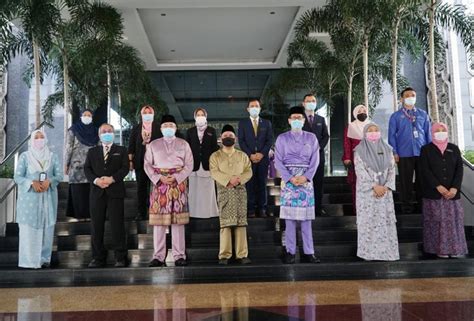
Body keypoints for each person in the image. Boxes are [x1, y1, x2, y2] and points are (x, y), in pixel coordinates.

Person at [144, 114, 193, 267]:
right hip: (160, 185)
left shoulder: (184, 144)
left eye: (171, 126)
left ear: (175, 128)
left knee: (178, 221)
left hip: (178, 184)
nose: (168, 128)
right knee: (159, 222)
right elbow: (147, 165)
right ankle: (158, 256)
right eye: (165, 126)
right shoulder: (153, 144)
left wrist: (177, 177)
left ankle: (179, 255)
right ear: (161, 128)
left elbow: (189, 164)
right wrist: (159, 178)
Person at [274, 106, 320, 264]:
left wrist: (307, 177)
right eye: (293, 118)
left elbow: (315, 160)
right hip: (288, 181)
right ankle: (290, 252)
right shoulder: (281, 138)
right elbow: (277, 161)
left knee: (306, 219)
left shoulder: (312, 138)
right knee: (289, 219)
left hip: (306, 181)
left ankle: (309, 252)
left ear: (303, 120)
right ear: (289, 120)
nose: (296, 120)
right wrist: (289, 178)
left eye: (299, 118)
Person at [14, 130, 63, 269]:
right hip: (29, 201)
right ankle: (28, 260)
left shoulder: (52, 157)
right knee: (29, 230)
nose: (39, 139)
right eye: (36, 137)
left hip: (48, 199)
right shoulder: (25, 156)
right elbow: (17, 177)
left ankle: (44, 259)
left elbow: (59, 175)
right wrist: (31, 183)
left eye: (42, 137)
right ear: (32, 140)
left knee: (47, 229)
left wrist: (50, 181)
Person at [84, 123, 129, 268]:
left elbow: (125, 168)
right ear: (99, 135)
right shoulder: (92, 152)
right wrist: (97, 181)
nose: (106, 133)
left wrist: (112, 179)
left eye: (109, 131)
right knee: (96, 226)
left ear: (114, 133)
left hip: (115, 191)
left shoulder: (121, 150)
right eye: (104, 131)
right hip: (97, 192)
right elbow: (87, 169)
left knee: (117, 225)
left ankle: (120, 257)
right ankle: (98, 257)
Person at [420, 122, 468, 258]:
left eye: (443, 130)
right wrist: (438, 186)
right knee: (436, 221)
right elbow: (425, 170)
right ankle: (439, 249)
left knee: (454, 222)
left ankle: (455, 249)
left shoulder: (454, 148)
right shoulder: (426, 149)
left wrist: (454, 188)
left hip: (452, 195)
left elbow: (459, 169)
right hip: (434, 194)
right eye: (437, 130)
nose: (440, 132)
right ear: (432, 132)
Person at [354, 123, 399, 261]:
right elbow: (360, 172)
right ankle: (368, 253)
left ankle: (387, 253)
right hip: (367, 194)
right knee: (368, 223)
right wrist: (374, 186)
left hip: (385, 193)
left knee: (385, 222)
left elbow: (392, 170)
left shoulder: (388, 149)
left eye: (376, 130)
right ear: (365, 134)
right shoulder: (359, 151)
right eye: (370, 131)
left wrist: (385, 187)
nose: (373, 133)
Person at [209, 124, 252, 265]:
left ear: (236, 139)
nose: (228, 138)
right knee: (225, 225)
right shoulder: (215, 156)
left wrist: (238, 180)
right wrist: (228, 180)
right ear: (220, 138)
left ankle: (242, 254)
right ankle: (224, 255)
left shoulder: (242, 155)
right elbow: (214, 172)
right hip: (224, 192)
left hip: (240, 191)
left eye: (231, 136)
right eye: (225, 136)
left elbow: (248, 171)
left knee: (241, 223)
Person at [388, 87, 431, 213]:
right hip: (404, 153)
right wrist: (395, 152)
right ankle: (406, 206)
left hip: (422, 153)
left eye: (413, 95)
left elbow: (428, 133)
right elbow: (391, 136)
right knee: (405, 181)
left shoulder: (423, 114)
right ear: (402, 99)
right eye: (407, 95)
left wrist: (429, 153)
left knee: (422, 180)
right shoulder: (396, 116)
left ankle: (421, 205)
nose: (411, 97)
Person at [237, 99, 273, 218]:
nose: (254, 108)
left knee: (262, 183)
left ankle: (262, 208)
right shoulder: (243, 123)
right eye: (252, 106)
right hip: (249, 159)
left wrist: (262, 154)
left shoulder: (266, 123)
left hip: (263, 159)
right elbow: (241, 141)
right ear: (248, 109)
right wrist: (250, 154)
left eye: (256, 106)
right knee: (250, 184)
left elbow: (269, 141)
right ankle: (251, 209)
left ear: (260, 108)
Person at [128, 105, 162, 221]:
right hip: (140, 163)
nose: (147, 114)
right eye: (145, 112)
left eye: (149, 112)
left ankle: (155, 211)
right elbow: (131, 146)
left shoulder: (159, 127)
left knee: (155, 188)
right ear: (141, 115)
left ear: (153, 114)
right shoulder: (136, 128)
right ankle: (141, 213)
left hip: (156, 164)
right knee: (141, 189)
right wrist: (130, 162)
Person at [186, 108, 220, 219]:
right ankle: (193, 213)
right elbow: (187, 150)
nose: (200, 116)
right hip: (194, 166)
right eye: (198, 114)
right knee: (194, 191)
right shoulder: (190, 131)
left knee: (208, 191)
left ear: (206, 116)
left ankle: (209, 212)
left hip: (207, 165)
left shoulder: (211, 131)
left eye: (202, 114)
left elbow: (215, 149)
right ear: (195, 117)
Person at [65, 109, 99, 221]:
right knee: (78, 192)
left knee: (90, 191)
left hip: (92, 167)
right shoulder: (73, 130)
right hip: (76, 167)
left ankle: (90, 215)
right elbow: (68, 148)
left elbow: (99, 148)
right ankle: (78, 216)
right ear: (80, 117)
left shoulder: (96, 131)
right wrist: (66, 163)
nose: (87, 117)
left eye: (89, 115)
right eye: (85, 115)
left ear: (92, 117)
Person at [301, 94, 330, 216]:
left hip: (318, 157)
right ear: (303, 103)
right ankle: (304, 207)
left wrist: (318, 147)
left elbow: (326, 136)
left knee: (318, 183)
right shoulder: (299, 119)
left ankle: (318, 208)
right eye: (308, 101)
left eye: (313, 101)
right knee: (304, 183)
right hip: (303, 158)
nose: (311, 103)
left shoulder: (321, 119)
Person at [342, 105, 370, 214]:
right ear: (355, 113)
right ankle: (357, 209)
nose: (362, 113)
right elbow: (346, 143)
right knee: (356, 185)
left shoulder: (371, 125)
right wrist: (348, 158)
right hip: (356, 160)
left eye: (364, 110)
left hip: (370, 160)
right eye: (359, 111)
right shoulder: (351, 127)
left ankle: (370, 210)